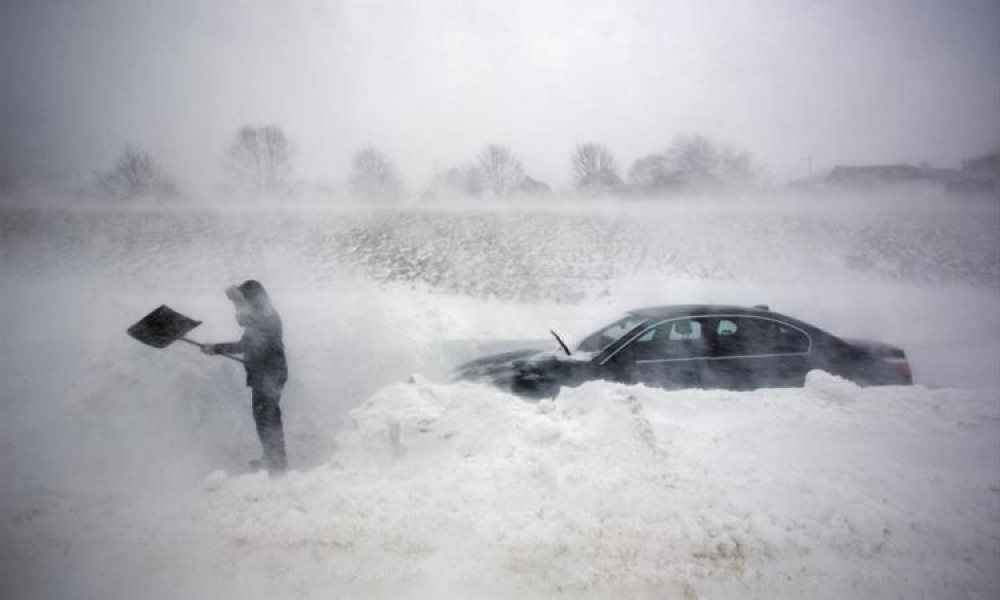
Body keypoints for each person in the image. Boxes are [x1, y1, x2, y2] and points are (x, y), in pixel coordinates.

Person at [202, 280, 288, 476]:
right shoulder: (261, 316)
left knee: (268, 419)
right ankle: (272, 459)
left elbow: (246, 330)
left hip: (270, 376)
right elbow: (246, 342)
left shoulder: (266, 317)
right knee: (265, 419)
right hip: (265, 374)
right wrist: (215, 348)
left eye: (245, 298)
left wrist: (216, 348)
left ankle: (276, 466)